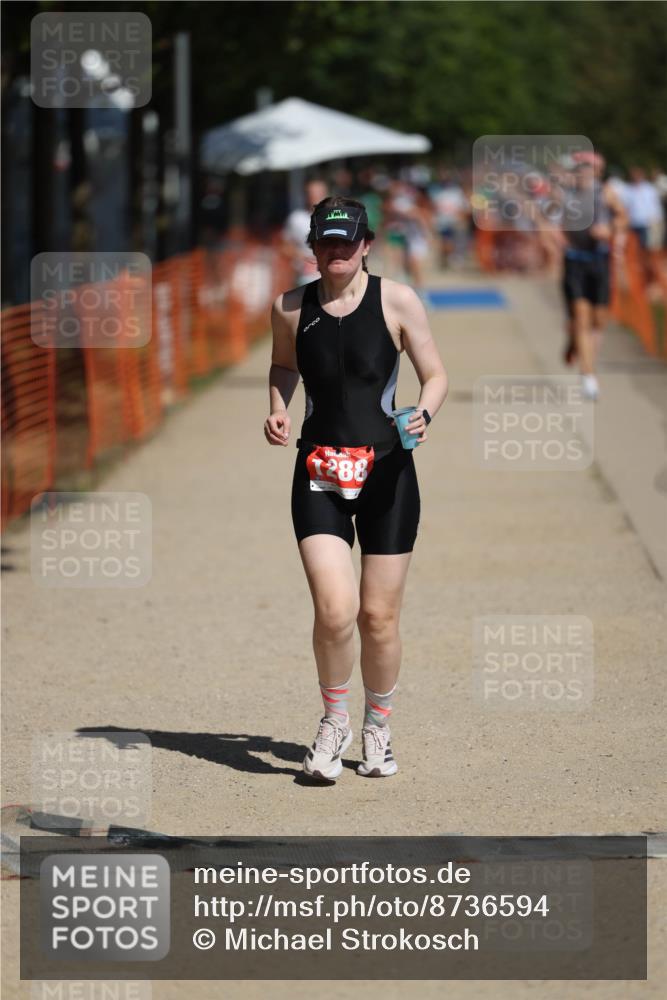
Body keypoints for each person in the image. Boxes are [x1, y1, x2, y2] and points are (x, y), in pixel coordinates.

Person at [266, 196, 448, 782]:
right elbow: (282, 365)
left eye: (347, 242)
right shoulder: (290, 307)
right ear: (313, 248)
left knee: (377, 617)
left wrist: (425, 411)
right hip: (318, 470)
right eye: (326, 243)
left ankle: (378, 728)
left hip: (387, 473)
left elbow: (436, 373)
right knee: (334, 609)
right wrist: (276, 407)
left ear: (366, 244)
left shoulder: (396, 300)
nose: (336, 252)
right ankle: (333, 721)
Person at [558, 153, 627, 400]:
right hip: (575, 261)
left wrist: (610, 230)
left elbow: (621, 217)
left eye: (590, 168)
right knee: (582, 317)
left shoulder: (606, 192)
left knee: (599, 322)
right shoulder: (565, 193)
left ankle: (575, 342)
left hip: (599, 261)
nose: (584, 172)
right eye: (580, 168)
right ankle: (588, 375)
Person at [281, 179, 328, 286]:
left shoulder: (336, 218)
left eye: (318, 193)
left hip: (332, 277)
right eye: (311, 193)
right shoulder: (296, 218)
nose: (315, 196)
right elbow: (284, 247)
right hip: (305, 277)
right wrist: (304, 259)